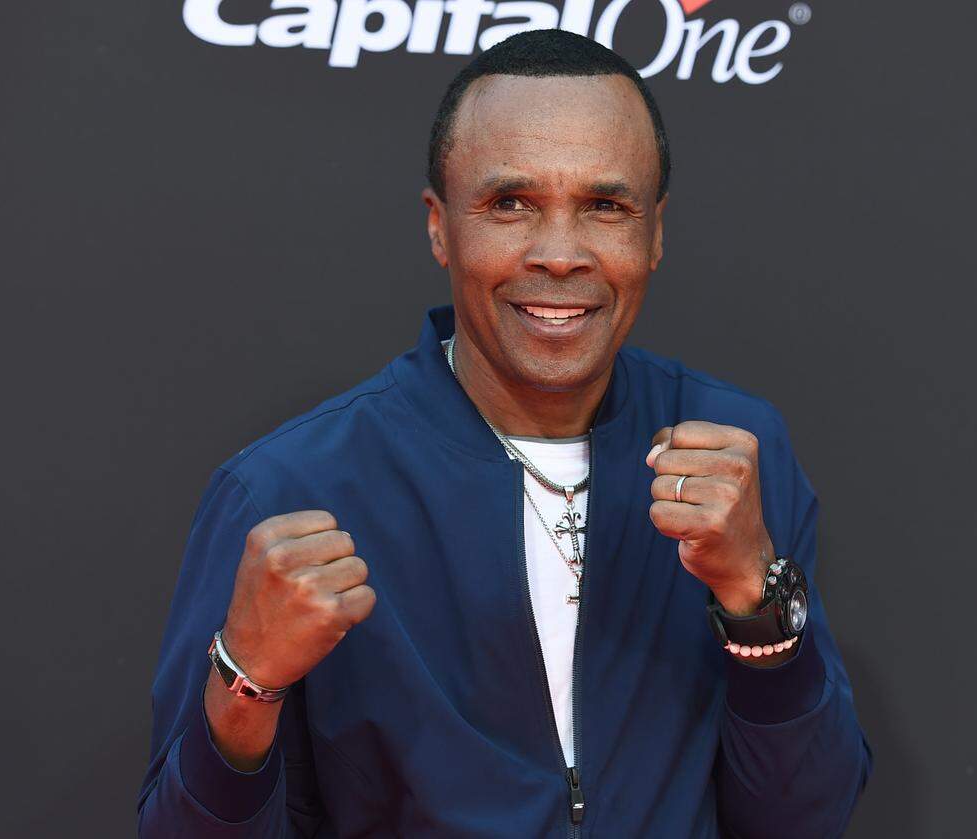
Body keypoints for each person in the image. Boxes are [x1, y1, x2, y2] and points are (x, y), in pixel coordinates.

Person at [138, 29, 871, 838]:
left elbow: (806, 816)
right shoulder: (287, 490)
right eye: (511, 203)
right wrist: (246, 684)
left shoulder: (735, 452)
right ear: (440, 227)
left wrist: (753, 601)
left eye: (604, 205)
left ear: (654, 232)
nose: (559, 254)